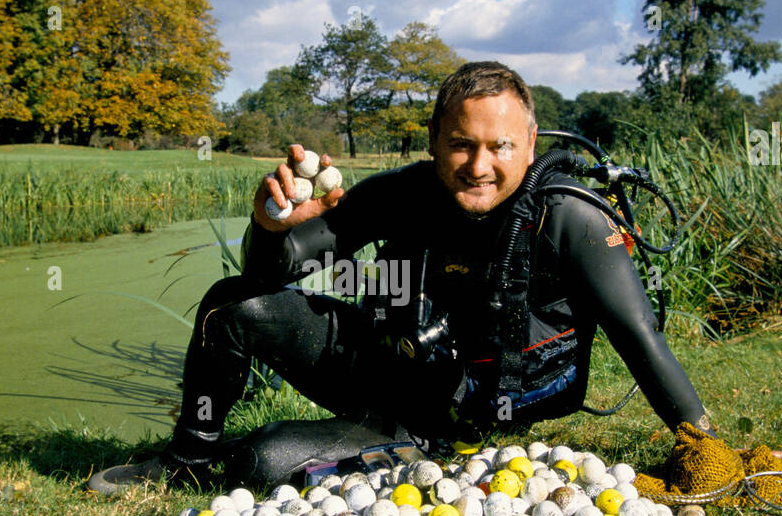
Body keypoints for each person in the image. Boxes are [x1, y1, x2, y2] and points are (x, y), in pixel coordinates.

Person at [88, 61, 719, 494]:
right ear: (434, 141)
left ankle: (395, 452)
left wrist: (706, 447)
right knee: (231, 304)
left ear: (529, 142)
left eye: (499, 146)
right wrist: (272, 226)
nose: (478, 165)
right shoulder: (405, 193)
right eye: (460, 144)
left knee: (259, 462)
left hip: (452, 419)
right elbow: (268, 274)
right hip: (385, 367)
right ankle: (186, 459)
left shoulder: (572, 219)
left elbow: (642, 338)